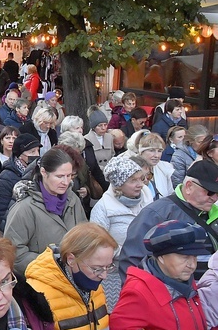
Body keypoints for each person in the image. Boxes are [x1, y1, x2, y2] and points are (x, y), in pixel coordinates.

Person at [108, 220, 208, 330]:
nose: (192, 264)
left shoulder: (186, 283)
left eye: (195, 257)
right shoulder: (139, 291)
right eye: (184, 257)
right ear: (161, 256)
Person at [26, 223, 126, 330]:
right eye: (97, 269)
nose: (105, 275)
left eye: (108, 267)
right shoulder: (38, 294)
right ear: (71, 259)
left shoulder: (94, 286)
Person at [119, 160, 218, 281]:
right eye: (210, 192)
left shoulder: (215, 212)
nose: (214, 198)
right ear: (189, 186)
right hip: (171, 296)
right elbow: (132, 261)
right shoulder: (157, 213)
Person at [4, 147, 87, 274]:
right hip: (39, 285)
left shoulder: (73, 199)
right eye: (59, 176)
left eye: (69, 176)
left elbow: (85, 235)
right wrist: (53, 264)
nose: (66, 182)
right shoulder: (24, 208)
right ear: (43, 172)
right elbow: (14, 253)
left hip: (74, 279)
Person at [90, 155, 150, 311]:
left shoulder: (147, 199)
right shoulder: (103, 208)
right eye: (133, 181)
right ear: (119, 184)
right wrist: (127, 252)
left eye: (141, 179)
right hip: (115, 275)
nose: (140, 185)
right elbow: (98, 243)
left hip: (147, 270)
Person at [137, 131, 174, 200]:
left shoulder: (165, 168)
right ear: (141, 152)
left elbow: (170, 195)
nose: (156, 155)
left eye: (159, 151)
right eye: (151, 150)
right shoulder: (132, 169)